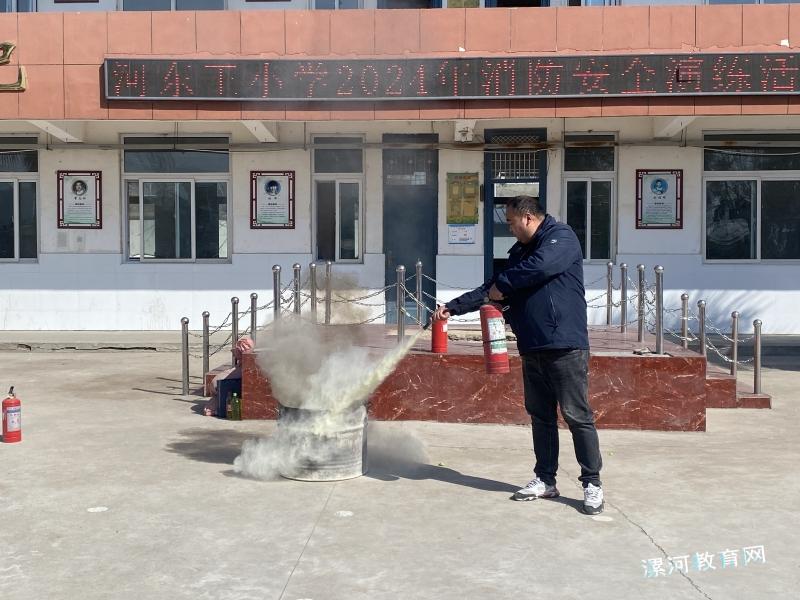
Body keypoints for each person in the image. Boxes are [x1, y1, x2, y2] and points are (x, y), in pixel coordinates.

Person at [433, 195, 604, 515]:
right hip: (532, 346)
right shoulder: (519, 253)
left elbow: (541, 267)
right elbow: (492, 287)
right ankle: (546, 479)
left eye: (511, 222)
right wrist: (452, 308)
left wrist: (505, 285)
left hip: (565, 345)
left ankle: (592, 483)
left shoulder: (561, 237)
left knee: (577, 416)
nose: (509, 228)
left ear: (527, 217)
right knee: (541, 417)